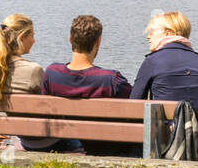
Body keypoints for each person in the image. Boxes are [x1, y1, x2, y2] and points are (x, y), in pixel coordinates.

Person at [128, 11, 198, 163]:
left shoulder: (152, 62)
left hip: (167, 145)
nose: (148, 36)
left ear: (167, 33)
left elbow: (134, 105)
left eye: (152, 31)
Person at [0, 14, 78, 153]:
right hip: (49, 141)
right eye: (32, 36)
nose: (34, 41)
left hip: (25, 139)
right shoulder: (33, 70)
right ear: (22, 38)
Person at [43, 15, 133, 156]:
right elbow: (134, 108)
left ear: (70, 39)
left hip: (67, 141)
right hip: (108, 146)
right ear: (98, 41)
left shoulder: (52, 73)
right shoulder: (111, 80)